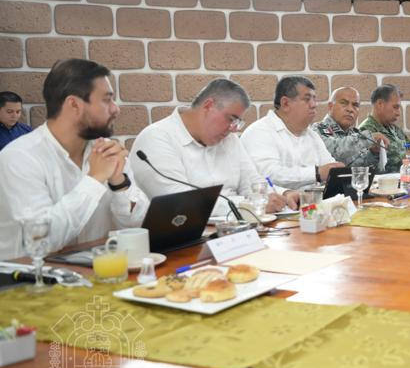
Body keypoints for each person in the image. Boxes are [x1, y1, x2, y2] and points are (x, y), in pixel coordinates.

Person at [0, 58, 149, 260]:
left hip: (102, 276)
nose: (116, 109)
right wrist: (94, 180)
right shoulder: (19, 157)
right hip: (34, 285)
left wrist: (119, 183)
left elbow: (138, 228)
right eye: (106, 100)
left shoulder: (105, 150)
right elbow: (41, 240)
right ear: (74, 104)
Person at [131, 79, 299, 215]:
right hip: (181, 240)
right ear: (208, 106)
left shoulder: (228, 139)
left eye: (238, 122)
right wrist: (252, 205)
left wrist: (280, 194)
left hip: (238, 231)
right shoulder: (158, 138)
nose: (234, 128)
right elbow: (182, 203)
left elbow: (253, 182)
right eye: (231, 119)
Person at [240, 76, 344, 189]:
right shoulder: (259, 132)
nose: (314, 105)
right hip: (275, 204)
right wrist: (316, 173)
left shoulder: (312, 136)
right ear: (285, 103)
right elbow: (268, 175)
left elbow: (330, 170)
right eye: (307, 99)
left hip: (313, 204)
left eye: (315, 99)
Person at [313, 87, 390, 171]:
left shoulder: (355, 134)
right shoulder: (317, 130)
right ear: (330, 106)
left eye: (355, 105)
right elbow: (333, 151)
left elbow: (361, 167)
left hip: (355, 183)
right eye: (344, 103)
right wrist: (368, 138)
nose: (350, 109)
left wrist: (374, 153)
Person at [359, 84, 410, 173]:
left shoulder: (393, 128)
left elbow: (405, 145)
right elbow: (378, 165)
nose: (398, 113)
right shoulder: (366, 131)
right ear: (380, 104)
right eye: (395, 107)